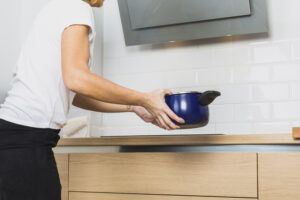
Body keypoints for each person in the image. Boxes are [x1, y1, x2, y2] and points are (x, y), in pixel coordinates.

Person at [0, 0, 184, 199]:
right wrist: (145, 98)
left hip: (12, 137)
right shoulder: (77, 7)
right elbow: (77, 80)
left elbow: (74, 93)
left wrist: (134, 106)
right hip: (26, 144)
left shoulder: (55, 8)